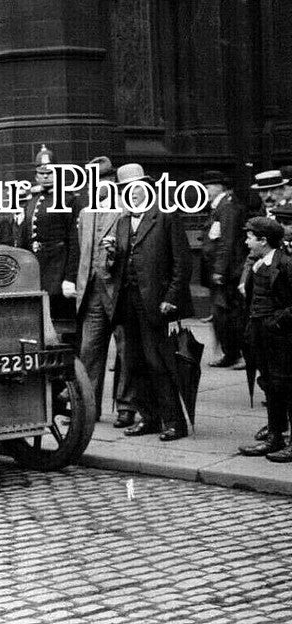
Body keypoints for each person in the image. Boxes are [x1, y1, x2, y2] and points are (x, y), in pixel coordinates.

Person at [114, 163, 194, 442]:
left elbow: (182, 263)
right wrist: (113, 255)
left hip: (156, 303)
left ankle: (174, 422)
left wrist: (171, 298)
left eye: (136, 188)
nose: (132, 194)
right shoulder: (123, 222)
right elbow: (120, 265)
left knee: (158, 362)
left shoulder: (165, 216)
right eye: (126, 190)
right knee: (134, 363)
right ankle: (149, 418)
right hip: (128, 302)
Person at [73, 159, 126, 423]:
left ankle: (127, 409)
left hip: (118, 292)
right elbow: (82, 252)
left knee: (125, 351)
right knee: (89, 351)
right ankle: (89, 408)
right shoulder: (85, 214)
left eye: (105, 180)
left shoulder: (126, 212)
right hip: (92, 293)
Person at [236, 217, 292, 461]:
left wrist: (276, 321)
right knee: (269, 384)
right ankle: (275, 437)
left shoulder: (286, 264)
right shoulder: (259, 264)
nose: (247, 241)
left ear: (263, 240)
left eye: (250, 237)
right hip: (260, 334)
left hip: (281, 337)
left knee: (286, 386)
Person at [17, 145, 79, 336]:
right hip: (37, 272)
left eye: (50, 172)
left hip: (58, 273)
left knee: (63, 329)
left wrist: (70, 278)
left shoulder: (68, 200)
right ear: (36, 176)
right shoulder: (33, 200)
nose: (45, 176)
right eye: (41, 173)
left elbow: (74, 241)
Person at [200, 170, 248, 370]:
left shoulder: (226, 207)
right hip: (222, 270)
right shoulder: (221, 206)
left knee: (227, 314)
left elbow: (227, 241)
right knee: (223, 314)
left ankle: (234, 353)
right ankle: (231, 353)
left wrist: (220, 269)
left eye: (210, 186)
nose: (206, 190)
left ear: (220, 186)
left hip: (226, 272)